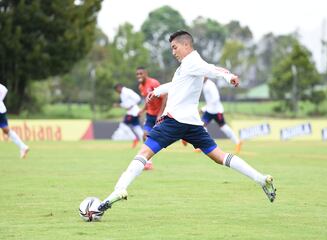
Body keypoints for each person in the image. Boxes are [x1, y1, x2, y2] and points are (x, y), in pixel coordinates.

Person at [98, 30, 276, 213]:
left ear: (186, 45)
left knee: (144, 153)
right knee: (220, 157)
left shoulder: (192, 62)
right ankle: (261, 179)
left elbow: (212, 71)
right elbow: (187, 80)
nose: (173, 52)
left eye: (174, 47)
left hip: (174, 121)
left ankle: (119, 189)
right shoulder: (188, 65)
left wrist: (228, 77)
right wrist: (157, 91)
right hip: (192, 124)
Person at [201, 77, 242, 153]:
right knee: (202, 126)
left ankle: (238, 142)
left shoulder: (210, 85)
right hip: (209, 110)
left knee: (223, 127)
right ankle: (204, 145)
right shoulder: (204, 84)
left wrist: (204, 108)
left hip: (216, 111)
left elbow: (216, 98)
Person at [136, 66, 167, 169]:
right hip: (150, 114)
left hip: (160, 115)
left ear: (146, 73)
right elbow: (147, 100)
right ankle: (148, 162)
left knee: (164, 136)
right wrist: (143, 109)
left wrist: (160, 113)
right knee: (144, 135)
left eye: (141, 73)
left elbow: (165, 96)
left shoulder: (153, 83)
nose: (139, 76)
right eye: (137, 74)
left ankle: (184, 138)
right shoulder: (141, 86)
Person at [0, 83, 29, 159]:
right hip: (1, 110)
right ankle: (23, 146)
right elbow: (4, 89)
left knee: (5, 129)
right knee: (5, 129)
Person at [113, 83, 144, 148]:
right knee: (136, 127)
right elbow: (125, 104)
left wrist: (131, 106)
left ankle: (134, 139)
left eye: (116, 90)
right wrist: (120, 105)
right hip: (133, 112)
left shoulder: (127, 91)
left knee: (123, 125)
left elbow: (138, 98)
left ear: (118, 87)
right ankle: (145, 142)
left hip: (132, 112)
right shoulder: (122, 93)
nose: (117, 92)